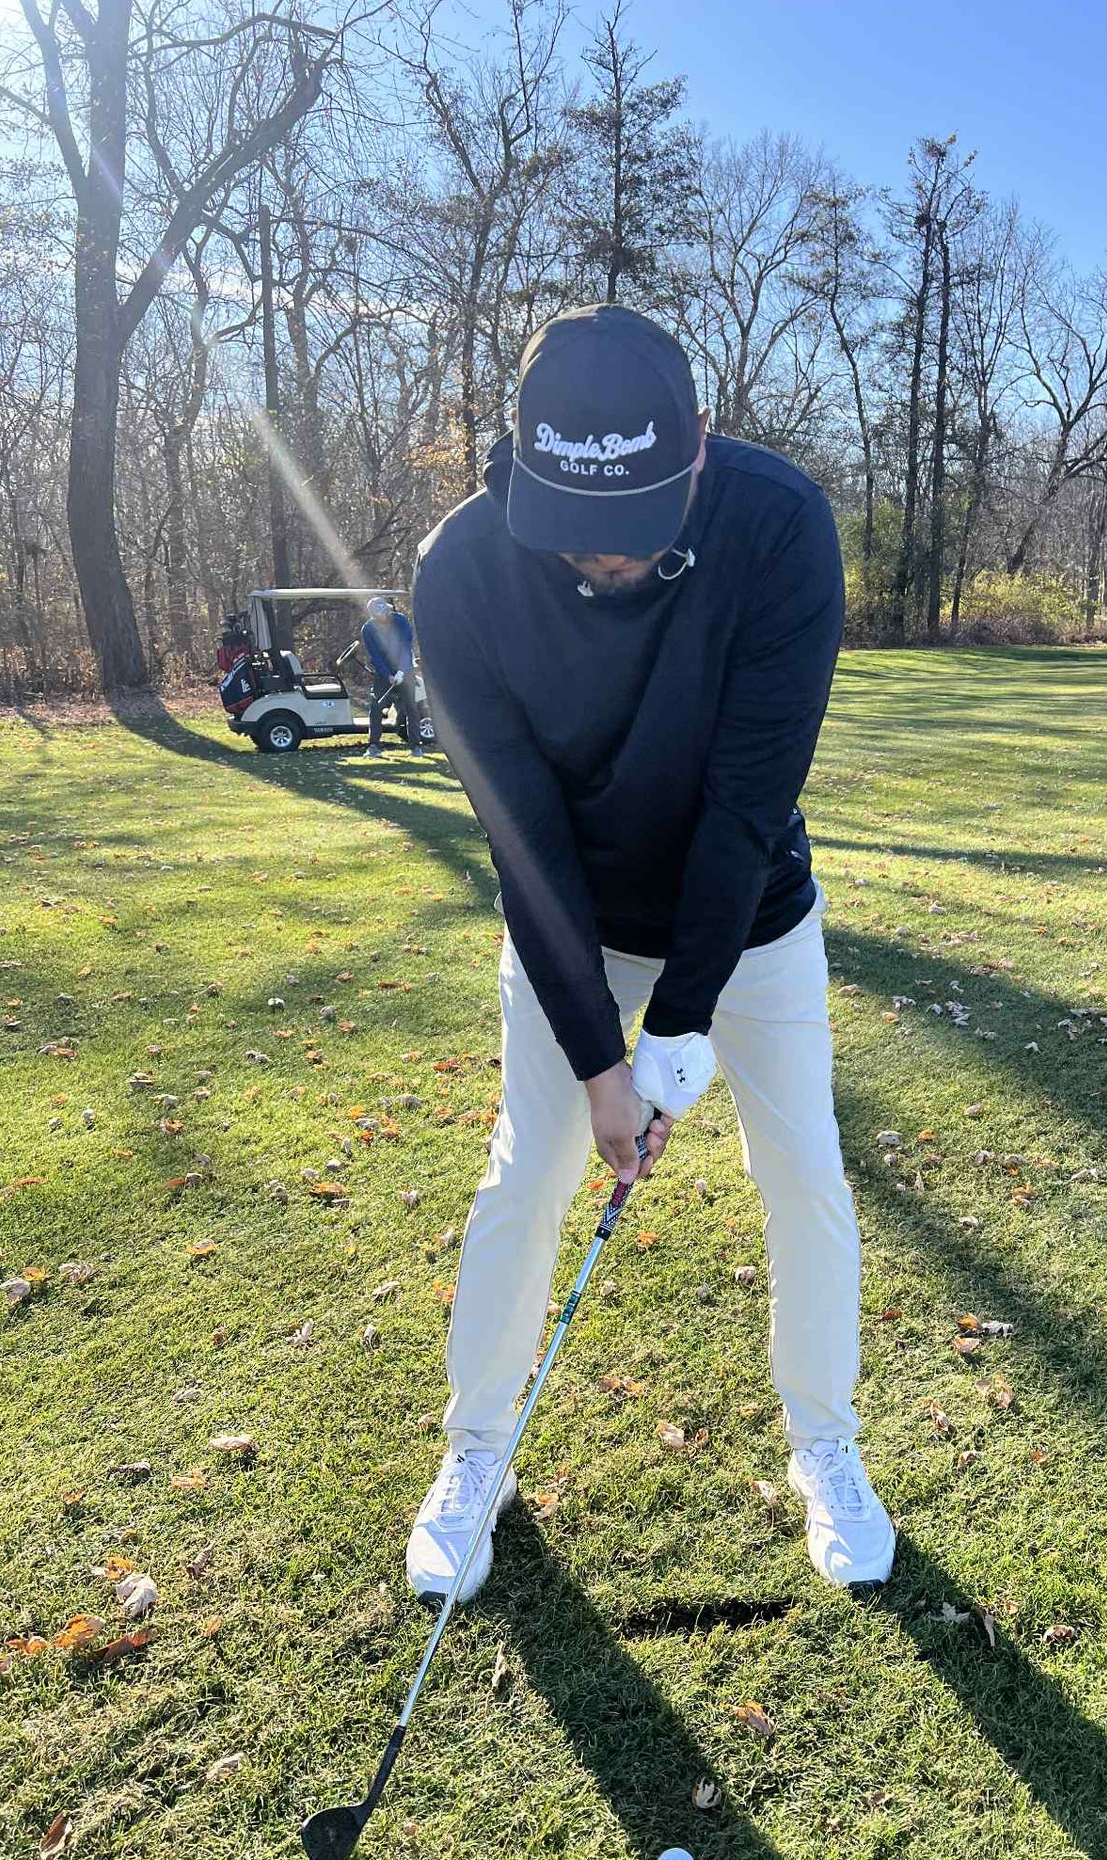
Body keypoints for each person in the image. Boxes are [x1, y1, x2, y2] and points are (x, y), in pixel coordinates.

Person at [409, 303, 894, 1602]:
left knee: (805, 1170)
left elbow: (748, 803)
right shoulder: (458, 574)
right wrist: (598, 1059)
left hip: (752, 919)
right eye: (575, 525)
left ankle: (826, 1445)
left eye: (636, 521)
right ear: (517, 465)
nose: (607, 557)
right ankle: (474, 1454)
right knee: (529, 1169)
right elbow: (523, 841)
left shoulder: (779, 528)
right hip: (571, 922)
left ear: (696, 455)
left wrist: (676, 1033)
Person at [360, 594, 424, 756]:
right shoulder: (368, 629)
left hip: (406, 670)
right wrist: (388, 675)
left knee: (411, 707)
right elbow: (375, 656)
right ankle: (373, 746)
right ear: (375, 615)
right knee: (376, 707)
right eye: (382, 613)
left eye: (387, 611)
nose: (386, 616)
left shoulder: (401, 621)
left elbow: (405, 646)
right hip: (383, 674)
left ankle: (416, 747)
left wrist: (402, 671)